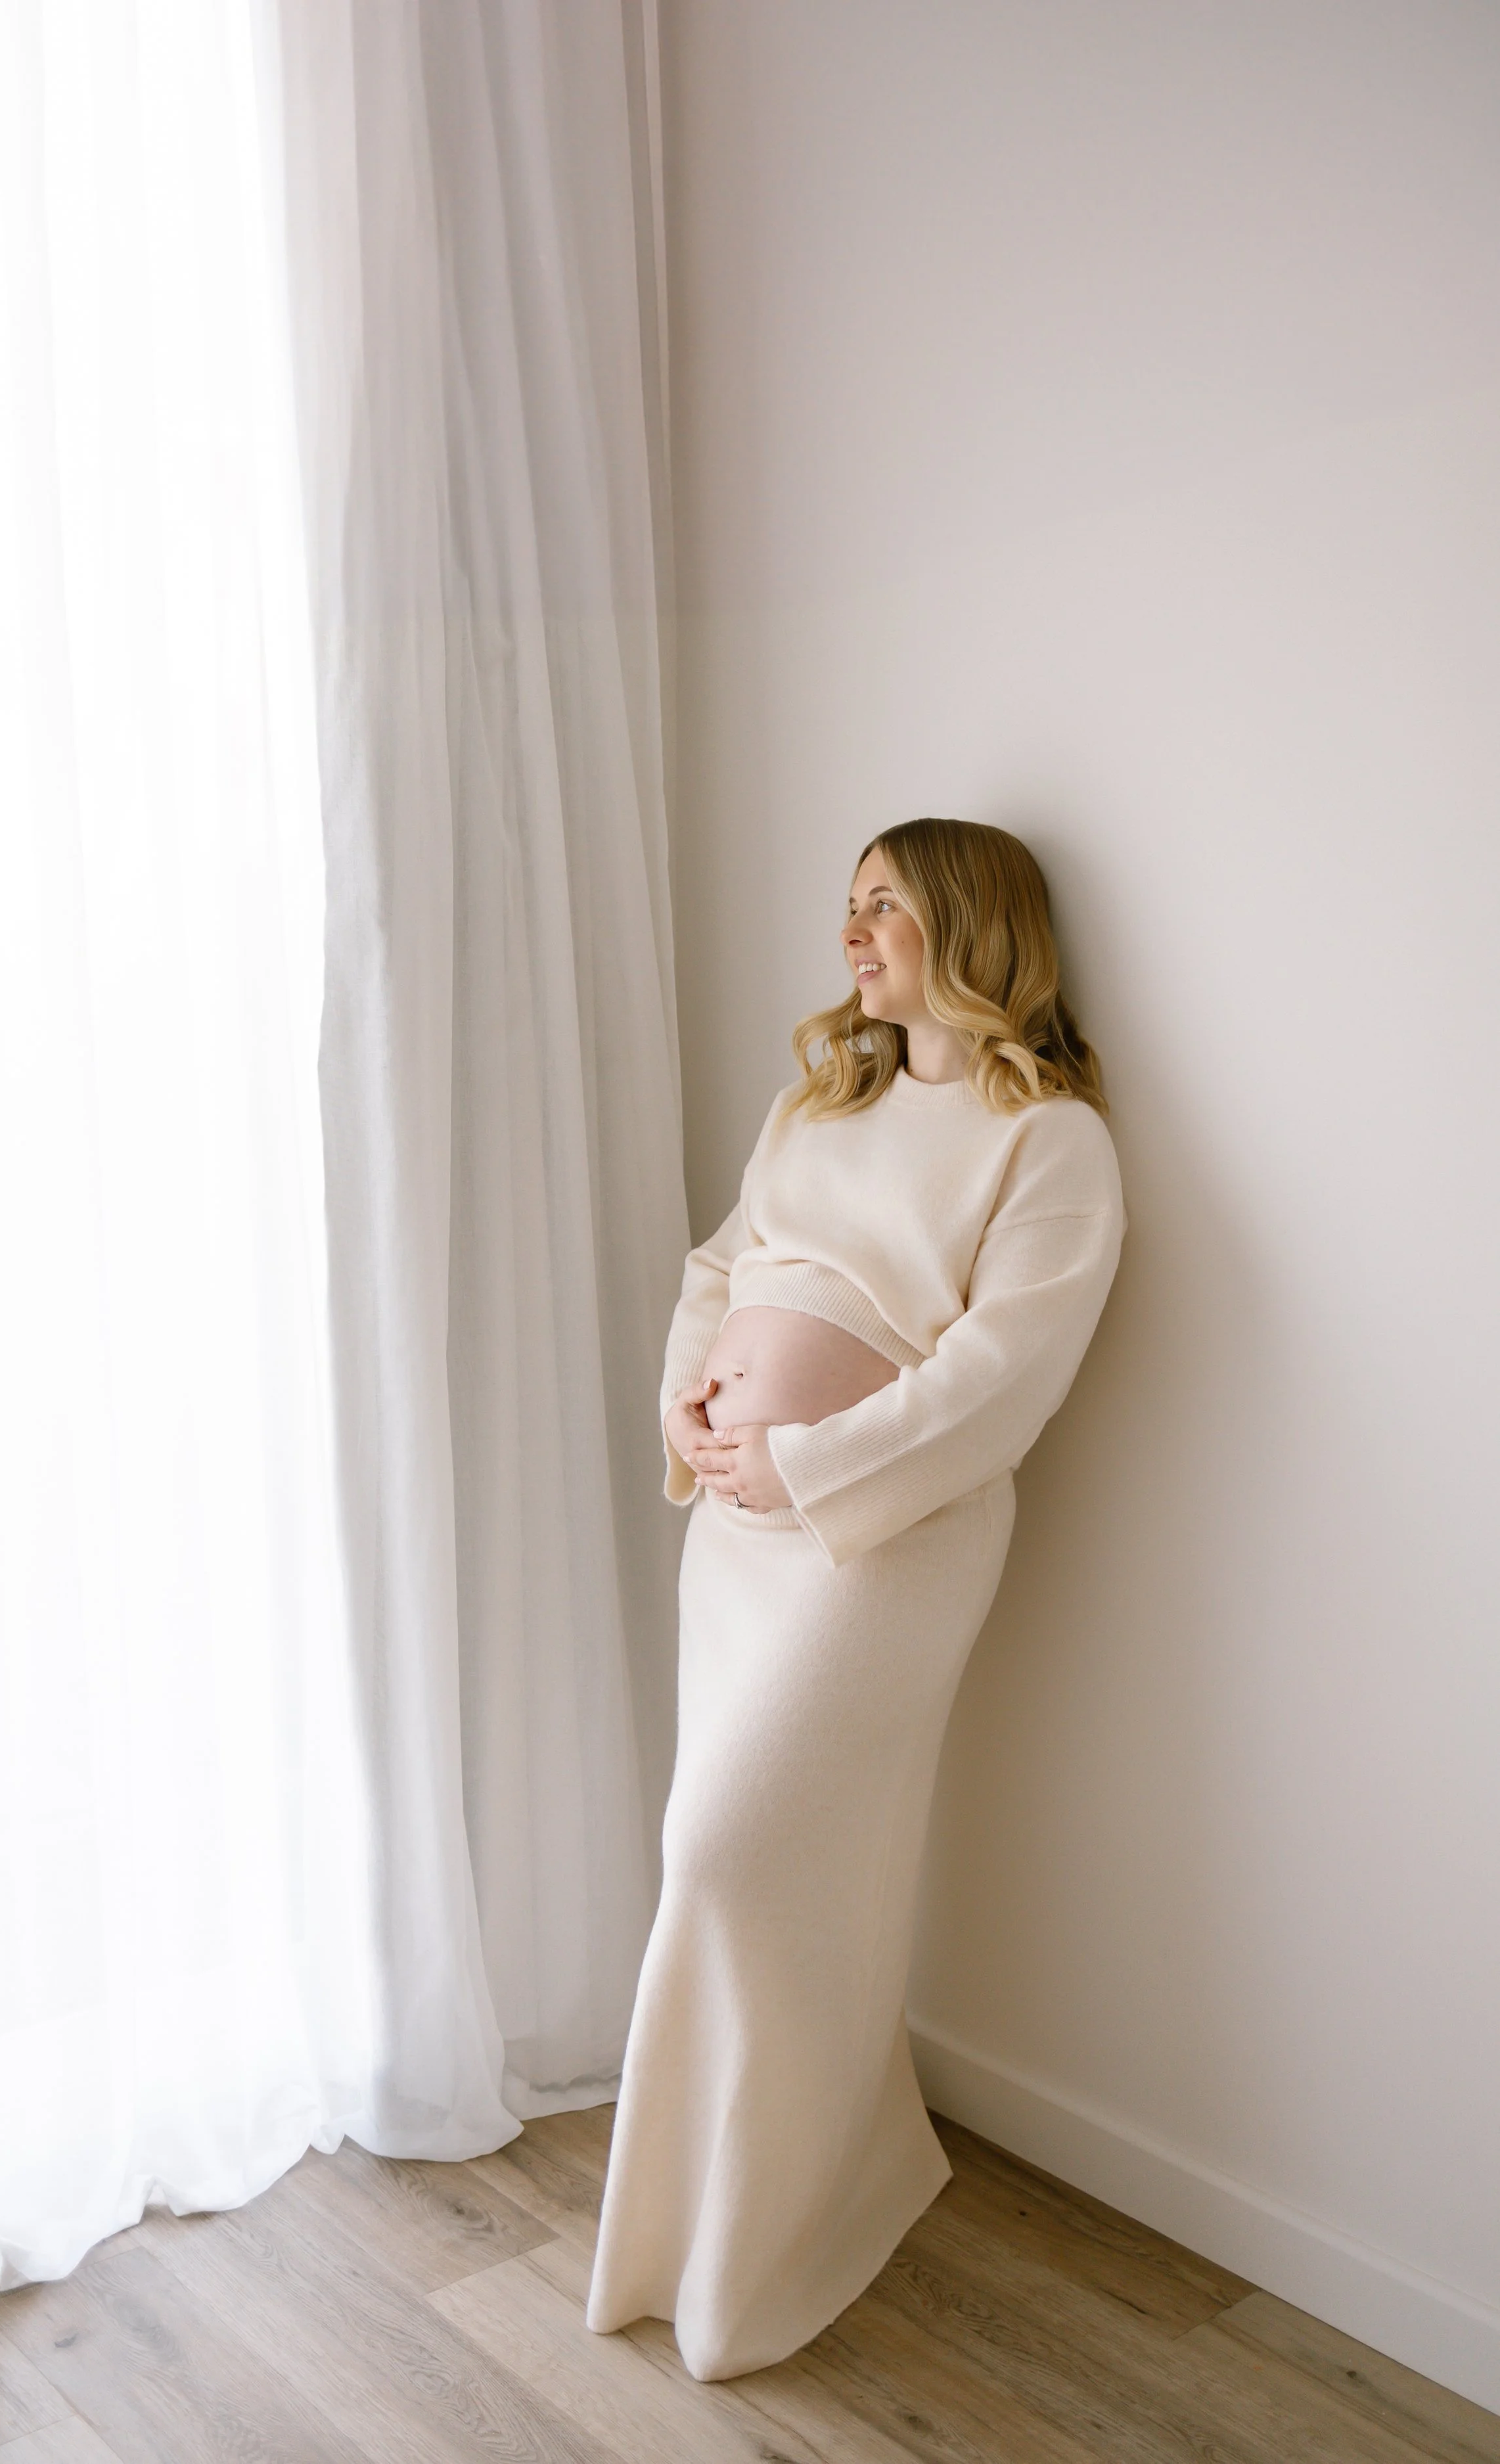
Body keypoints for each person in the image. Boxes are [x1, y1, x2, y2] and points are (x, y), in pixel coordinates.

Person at [583, 817, 1126, 2382]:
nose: (851, 932)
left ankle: (805, 2209)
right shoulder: (820, 1103)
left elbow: (1001, 1376)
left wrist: (808, 1463)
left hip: (879, 1546)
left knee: (727, 1851)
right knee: (763, 1877)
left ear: (968, 925)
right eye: (847, 905)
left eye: (881, 904)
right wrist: (694, 1403)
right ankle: (750, 2204)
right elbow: (720, 1264)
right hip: (735, 1545)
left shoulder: (1049, 1141)